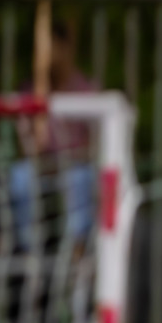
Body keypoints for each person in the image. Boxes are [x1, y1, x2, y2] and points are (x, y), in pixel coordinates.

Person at [12, 20, 99, 251]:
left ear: (65, 48)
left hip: (75, 166)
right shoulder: (30, 90)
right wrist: (35, 151)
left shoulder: (86, 90)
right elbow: (24, 145)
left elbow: (96, 145)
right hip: (41, 166)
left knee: (82, 179)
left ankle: (77, 252)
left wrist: (70, 160)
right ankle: (29, 252)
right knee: (20, 178)